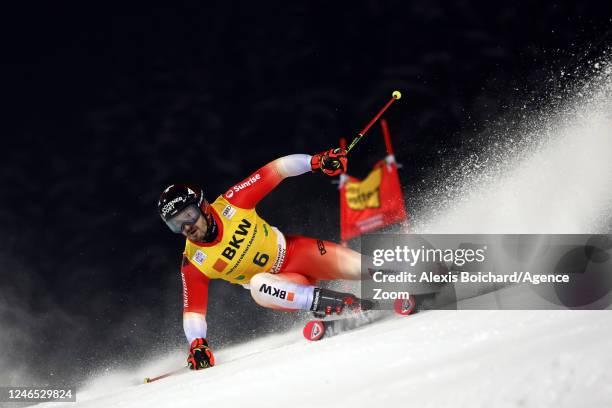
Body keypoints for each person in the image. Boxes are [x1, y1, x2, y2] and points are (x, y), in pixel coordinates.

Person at [158, 148, 371, 370]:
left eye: (189, 215)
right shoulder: (193, 262)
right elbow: (193, 311)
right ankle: (341, 304)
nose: (186, 227)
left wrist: (316, 161)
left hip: (297, 253)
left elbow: (278, 169)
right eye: (176, 224)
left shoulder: (233, 203)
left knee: (365, 267)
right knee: (259, 285)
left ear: (203, 206)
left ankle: (397, 273)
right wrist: (198, 345)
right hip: (283, 287)